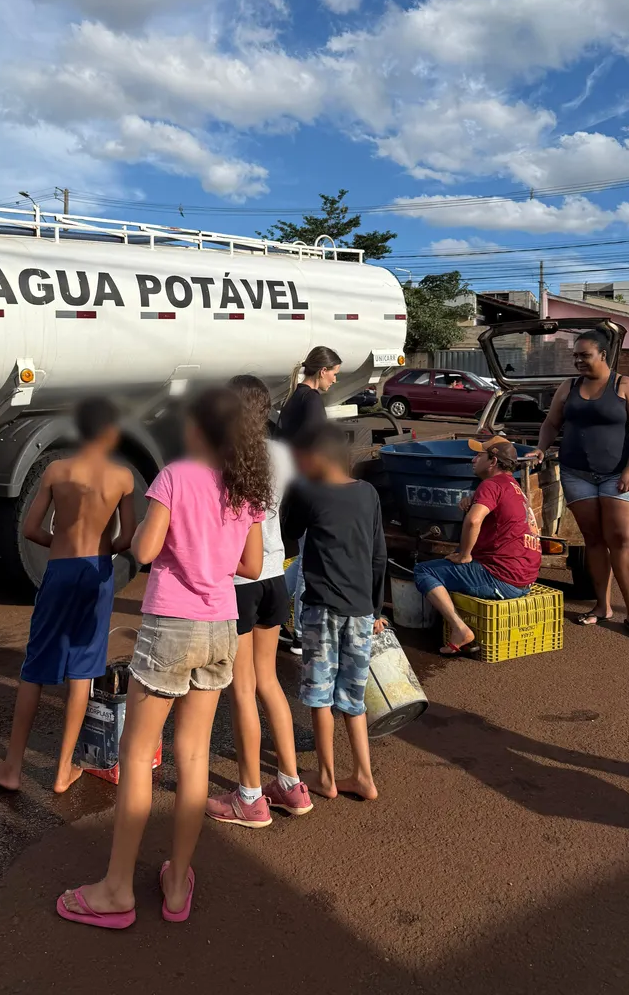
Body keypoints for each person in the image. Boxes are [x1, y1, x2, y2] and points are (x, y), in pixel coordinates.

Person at [56, 387, 270, 929]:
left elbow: (145, 551)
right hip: (222, 625)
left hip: (171, 624)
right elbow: (250, 565)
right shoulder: (246, 486)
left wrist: (170, 541)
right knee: (194, 756)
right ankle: (177, 882)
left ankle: (116, 889)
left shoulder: (175, 476)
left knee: (137, 754)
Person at [0, 398, 136, 794]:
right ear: (112, 433)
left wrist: (60, 543)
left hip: (60, 571)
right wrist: (102, 549)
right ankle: (63, 770)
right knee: (82, 671)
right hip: (96, 573)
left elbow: (30, 529)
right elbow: (128, 537)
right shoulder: (123, 478)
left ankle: (12, 767)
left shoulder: (56, 470)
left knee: (36, 668)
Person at [206, 375, 312, 829]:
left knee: (242, 688)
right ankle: (290, 784)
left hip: (240, 581)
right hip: (274, 576)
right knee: (268, 682)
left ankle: (249, 795)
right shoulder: (277, 455)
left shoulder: (223, 457)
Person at [281, 423, 387, 802]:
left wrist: (294, 488)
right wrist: (375, 608)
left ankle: (326, 778)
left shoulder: (308, 491)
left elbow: (289, 531)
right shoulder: (367, 493)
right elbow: (379, 555)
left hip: (322, 609)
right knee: (353, 698)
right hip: (361, 610)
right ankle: (363, 775)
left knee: (320, 695)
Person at [528, 329, 629, 640]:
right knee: (593, 540)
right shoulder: (569, 387)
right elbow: (551, 423)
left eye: (584, 355)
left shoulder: (624, 385)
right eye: (576, 356)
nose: (578, 361)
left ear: (602, 355)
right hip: (576, 473)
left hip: (617, 474)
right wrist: (542, 448)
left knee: (622, 539)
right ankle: (602, 607)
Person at [413, 438, 542, 657]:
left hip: (502, 578)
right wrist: (473, 499)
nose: (473, 459)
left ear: (493, 461)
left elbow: (473, 521)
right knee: (453, 567)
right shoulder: (514, 487)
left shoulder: (490, 485)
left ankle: (459, 629)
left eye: (479, 456)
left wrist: (464, 555)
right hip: (525, 578)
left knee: (424, 571)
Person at [277, 345, 342, 654]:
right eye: (334, 374)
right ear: (321, 372)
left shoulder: (294, 399)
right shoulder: (312, 401)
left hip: (292, 485)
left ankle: (274, 616)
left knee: (302, 557)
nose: (335, 380)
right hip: (307, 488)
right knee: (310, 560)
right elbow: (317, 448)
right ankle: (302, 632)